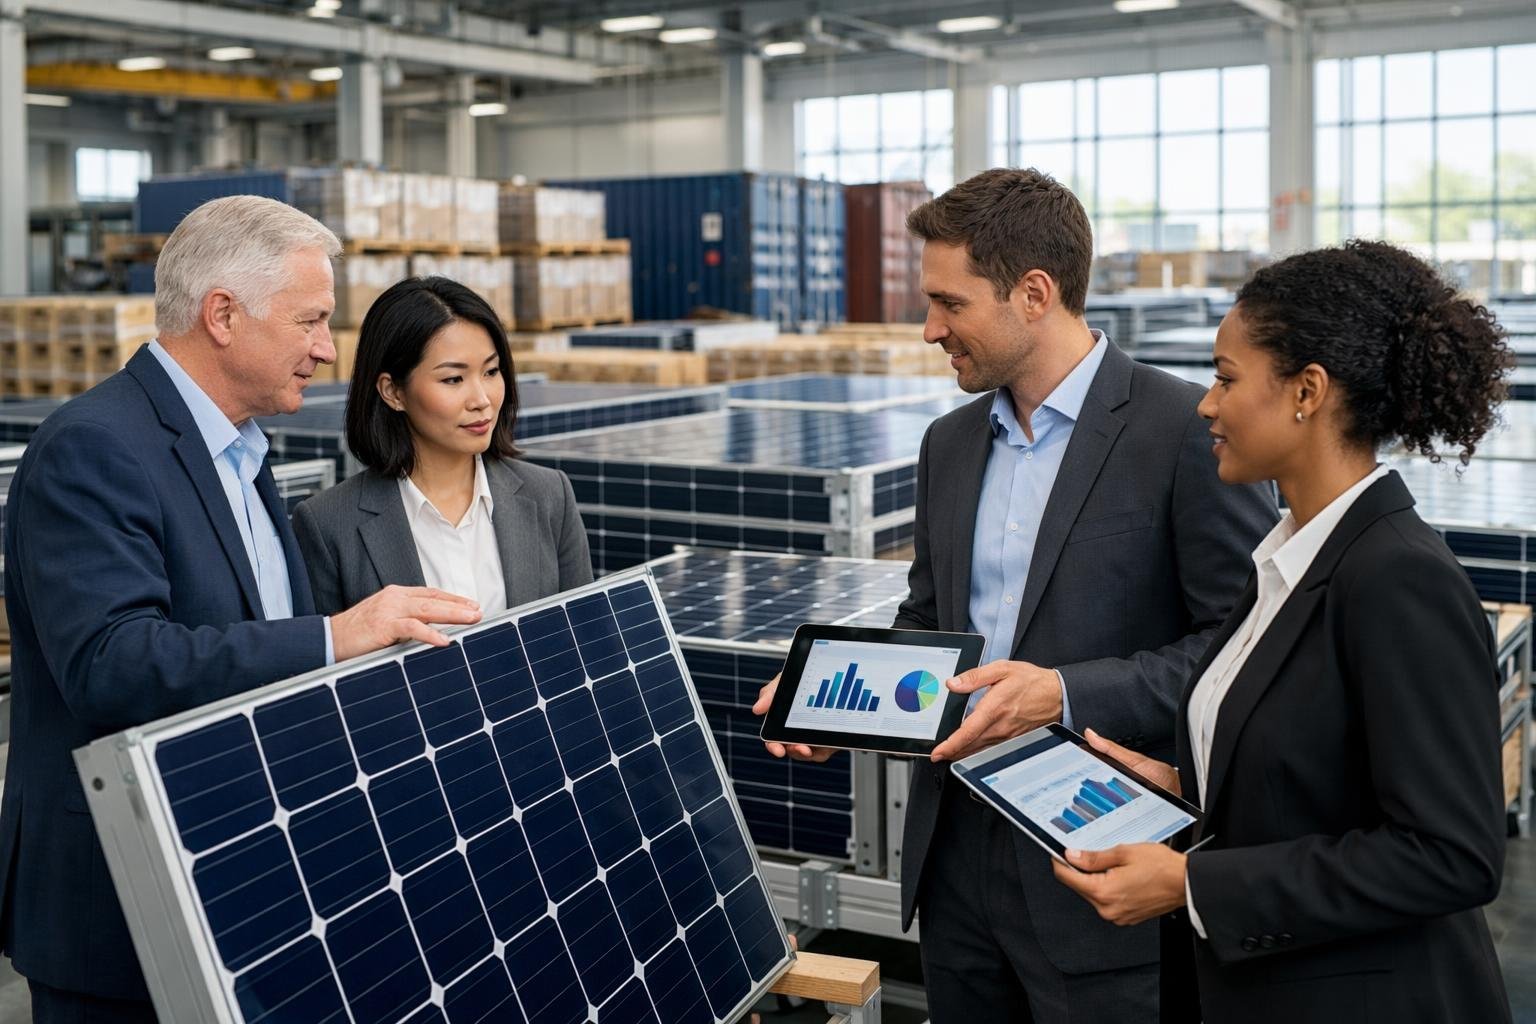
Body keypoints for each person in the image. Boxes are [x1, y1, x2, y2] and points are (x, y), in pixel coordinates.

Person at [754, 168, 1278, 1022]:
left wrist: (1064, 695)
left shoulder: (1185, 431)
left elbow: (1242, 655)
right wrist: (832, 703)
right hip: (956, 861)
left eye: (949, 304)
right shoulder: (950, 443)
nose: (930, 329)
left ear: (1033, 293)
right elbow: (929, 621)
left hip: (1101, 866)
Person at [0, 196, 483, 1022]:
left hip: (233, 874)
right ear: (223, 315)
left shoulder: (240, 450)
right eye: (312, 321)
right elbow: (113, 665)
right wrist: (335, 637)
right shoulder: (95, 447)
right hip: (122, 900)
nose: (327, 351)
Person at [1054, 240, 1514, 1023]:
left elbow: (1450, 855)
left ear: (1308, 392)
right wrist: (1178, 786)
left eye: (1227, 378)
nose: (1206, 403)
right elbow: (1312, 775)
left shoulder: (1397, 577)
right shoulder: (1284, 562)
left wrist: (1191, 884)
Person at [292, 275, 592, 617]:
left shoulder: (550, 496)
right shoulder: (328, 524)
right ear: (393, 391)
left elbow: (584, 638)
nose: (481, 400)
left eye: (491, 372)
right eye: (453, 379)